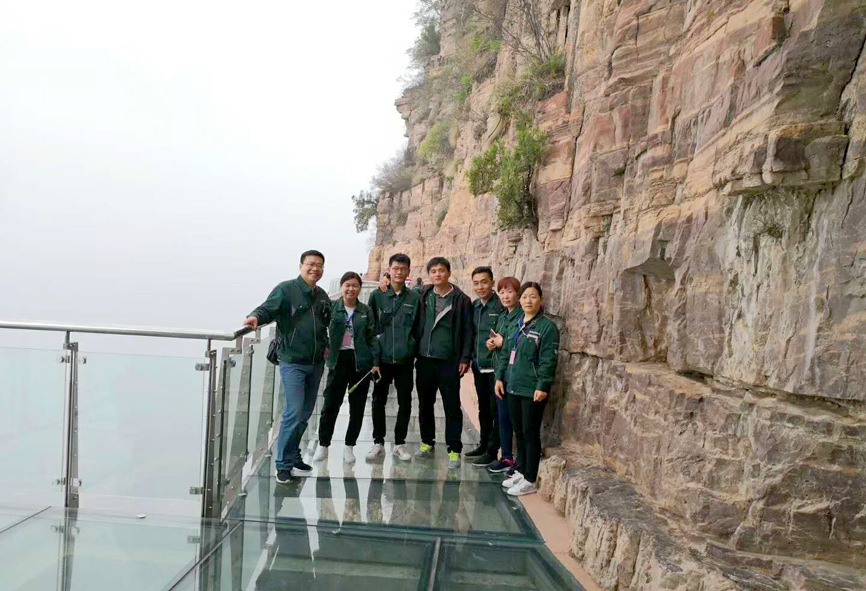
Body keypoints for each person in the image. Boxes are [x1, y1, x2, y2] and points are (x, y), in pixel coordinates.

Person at [244, 250, 332, 484]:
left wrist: (326, 345)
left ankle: (293, 455)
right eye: (311, 264)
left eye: (319, 265)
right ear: (301, 266)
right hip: (292, 361)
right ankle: (282, 464)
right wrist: (255, 317)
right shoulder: (286, 289)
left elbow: (326, 323)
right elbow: (268, 308)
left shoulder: (322, 295)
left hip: (316, 363)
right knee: (293, 412)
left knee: (305, 413)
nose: (315, 269)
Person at [495, 282, 559, 496]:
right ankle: (521, 470)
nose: (528, 301)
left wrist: (543, 385)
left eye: (533, 296)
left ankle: (530, 478)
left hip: (532, 390)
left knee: (530, 433)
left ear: (540, 300)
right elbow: (506, 353)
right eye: (524, 297)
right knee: (519, 432)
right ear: (520, 300)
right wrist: (500, 377)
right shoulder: (516, 325)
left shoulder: (547, 328)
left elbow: (548, 360)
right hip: (513, 386)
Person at [313, 272, 380, 464]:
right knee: (330, 405)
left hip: (361, 362)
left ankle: (349, 446)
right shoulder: (332, 308)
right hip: (338, 360)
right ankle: (323, 445)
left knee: (357, 407)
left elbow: (371, 337)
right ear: (341, 287)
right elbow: (320, 329)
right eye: (347, 285)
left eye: (355, 285)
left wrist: (375, 362)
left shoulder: (365, 311)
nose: (351, 289)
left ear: (360, 288)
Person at [415, 257, 473, 468]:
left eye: (441, 270)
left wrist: (465, 358)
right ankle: (427, 442)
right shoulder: (423, 294)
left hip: (449, 362)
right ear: (429, 275)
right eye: (433, 271)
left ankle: (454, 449)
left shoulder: (461, 300)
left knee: (452, 406)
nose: (437, 274)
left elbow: (468, 330)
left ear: (448, 273)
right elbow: (399, 293)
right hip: (424, 360)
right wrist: (385, 284)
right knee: (425, 404)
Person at [367, 253, 421, 462]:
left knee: (405, 402)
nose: (399, 272)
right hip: (382, 360)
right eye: (395, 268)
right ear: (389, 270)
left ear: (408, 272)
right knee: (378, 401)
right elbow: (370, 328)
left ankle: (399, 443)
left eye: (403, 269)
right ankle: (378, 442)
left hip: (405, 360)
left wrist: (411, 346)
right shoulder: (377, 296)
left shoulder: (415, 298)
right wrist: (374, 359)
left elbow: (418, 327)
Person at [465, 267, 505, 467]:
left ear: (492, 283)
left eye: (484, 282)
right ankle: (483, 444)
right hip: (479, 367)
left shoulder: (501, 305)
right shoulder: (475, 306)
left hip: (496, 368)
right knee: (483, 409)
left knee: (495, 411)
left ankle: (492, 450)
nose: (480, 287)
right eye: (476, 283)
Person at [484, 277, 521, 474]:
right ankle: (507, 457)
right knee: (503, 417)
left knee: (517, 421)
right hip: (501, 373)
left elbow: (520, 346)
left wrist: (502, 343)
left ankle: (520, 462)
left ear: (518, 294)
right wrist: (492, 344)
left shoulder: (522, 317)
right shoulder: (503, 316)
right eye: (502, 292)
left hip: (515, 376)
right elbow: (500, 341)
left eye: (510, 291)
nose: (505, 296)